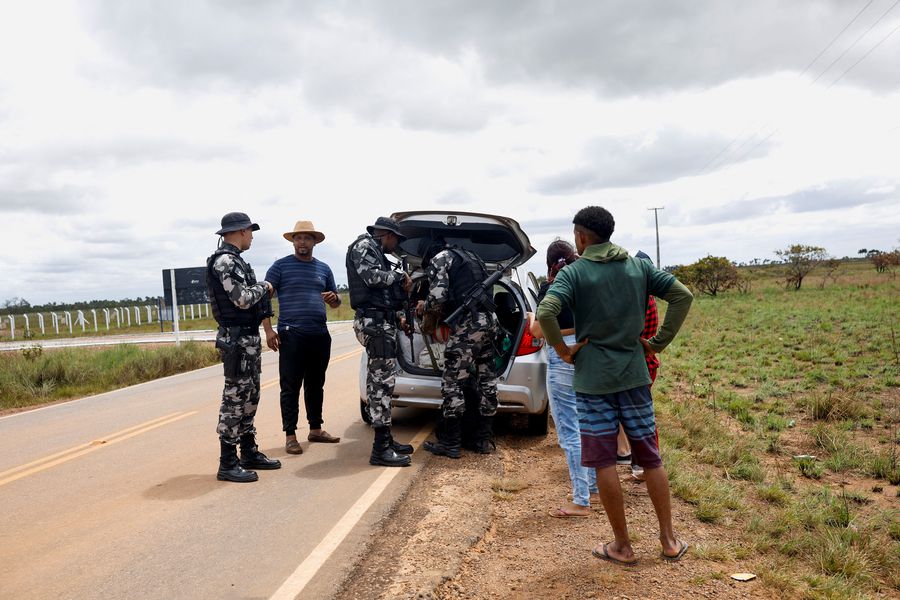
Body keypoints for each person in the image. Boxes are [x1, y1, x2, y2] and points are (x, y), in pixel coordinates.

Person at [536, 206, 693, 565]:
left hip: (592, 380)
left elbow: (545, 312)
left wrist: (562, 351)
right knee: (650, 458)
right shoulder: (638, 267)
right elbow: (683, 295)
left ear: (580, 236)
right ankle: (669, 541)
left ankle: (622, 546)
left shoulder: (574, 273)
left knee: (604, 461)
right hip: (635, 375)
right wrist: (657, 342)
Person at [207, 212, 282, 483]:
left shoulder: (236, 261)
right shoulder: (226, 261)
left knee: (250, 397)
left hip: (247, 339)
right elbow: (241, 299)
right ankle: (227, 462)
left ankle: (248, 452)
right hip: (237, 341)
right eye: (250, 232)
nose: (251, 237)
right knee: (235, 399)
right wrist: (264, 286)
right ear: (240, 231)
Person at [530, 240, 599, 517]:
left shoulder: (552, 288)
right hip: (587, 354)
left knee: (569, 431)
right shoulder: (586, 286)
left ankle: (581, 499)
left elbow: (537, 330)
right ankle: (593, 485)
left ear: (550, 265)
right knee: (588, 424)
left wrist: (530, 318)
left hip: (561, 356)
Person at [263, 220, 342, 456]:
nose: (302, 242)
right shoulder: (280, 267)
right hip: (291, 334)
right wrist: (268, 330)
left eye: (307, 238)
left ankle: (315, 429)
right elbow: (263, 298)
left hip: (319, 334)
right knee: (290, 386)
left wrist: (333, 299)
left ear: (314, 242)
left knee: (316, 383)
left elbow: (337, 301)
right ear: (293, 241)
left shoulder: (324, 268)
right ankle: (290, 436)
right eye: (298, 238)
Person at [418, 239, 500, 458]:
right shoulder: (472, 258)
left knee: (453, 381)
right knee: (486, 380)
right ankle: (482, 439)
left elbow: (437, 298)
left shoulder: (440, 259)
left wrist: (423, 306)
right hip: (489, 323)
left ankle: (451, 443)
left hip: (468, 325)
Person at [346, 216, 415, 467]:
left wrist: (398, 315)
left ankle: (386, 441)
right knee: (380, 386)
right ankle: (380, 450)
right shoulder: (364, 247)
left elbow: (382, 296)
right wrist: (400, 278)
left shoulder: (376, 252)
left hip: (381, 322)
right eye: (395, 240)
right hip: (373, 325)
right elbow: (372, 278)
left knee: (384, 384)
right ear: (386, 234)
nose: (395, 246)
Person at [616, 250, 661, 482]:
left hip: (637, 365)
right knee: (639, 416)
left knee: (640, 418)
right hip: (646, 362)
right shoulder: (648, 298)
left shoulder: (639, 301)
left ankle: (645, 464)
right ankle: (642, 463)